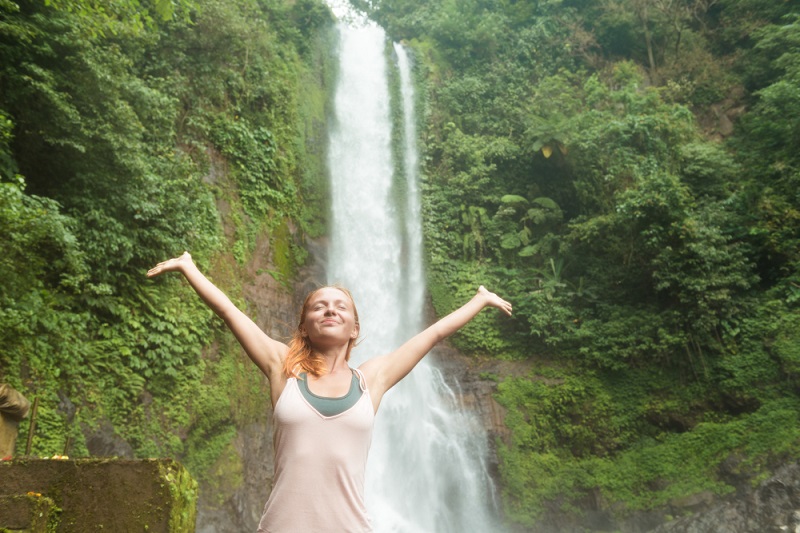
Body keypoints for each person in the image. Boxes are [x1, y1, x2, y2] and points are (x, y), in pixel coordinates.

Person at [147, 251, 512, 533]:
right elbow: (229, 311)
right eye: (319, 306)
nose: (329, 310)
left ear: (355, 328)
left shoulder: (372, 379)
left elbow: (432, 335)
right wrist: (189, 267)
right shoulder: (282, 367)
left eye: (340, 306)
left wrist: (479, 300)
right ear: (304, 327)